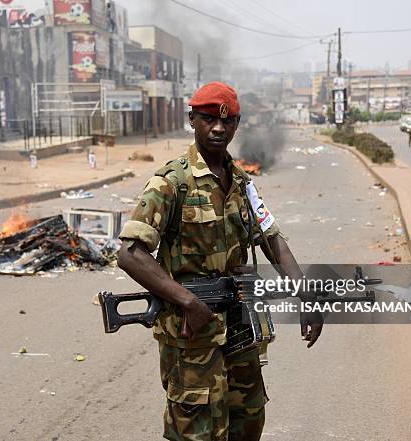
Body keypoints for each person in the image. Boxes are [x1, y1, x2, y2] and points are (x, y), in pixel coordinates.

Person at [117, 81, 324, 441]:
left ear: (236, 124)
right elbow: (130, 254)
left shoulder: (242, 183)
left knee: (249, 421)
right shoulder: (171, 182)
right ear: (192, 120)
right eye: (208, 119)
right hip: (193, 334)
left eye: (226, 122)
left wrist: (306, 296)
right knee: (198, 432)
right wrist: (188, 303)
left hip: (241, 328)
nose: (218, 128)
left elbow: (273, 241)